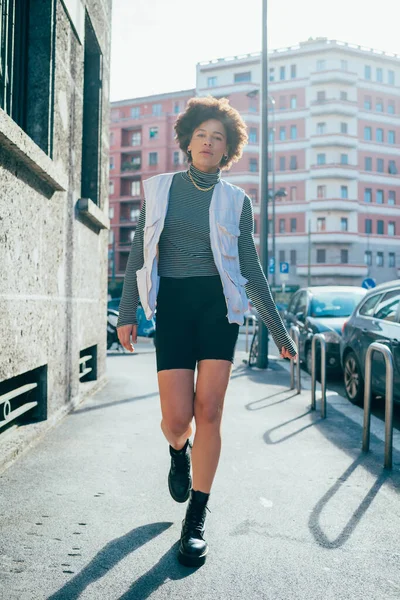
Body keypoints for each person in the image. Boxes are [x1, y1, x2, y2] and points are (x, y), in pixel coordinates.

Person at [117, 96, 297, 567]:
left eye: (218, 137)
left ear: (227, 149)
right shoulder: (158, 189)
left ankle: (195, 519)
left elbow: (250, 268)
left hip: (219, 307)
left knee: (210, 412)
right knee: (178, 420)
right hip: (174, 305)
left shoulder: (237, 201)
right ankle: (179, 451)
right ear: (188, 140)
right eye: (202, 134)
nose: (208, 142)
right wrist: (127, 313)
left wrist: (278, 329)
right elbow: (138, 253)